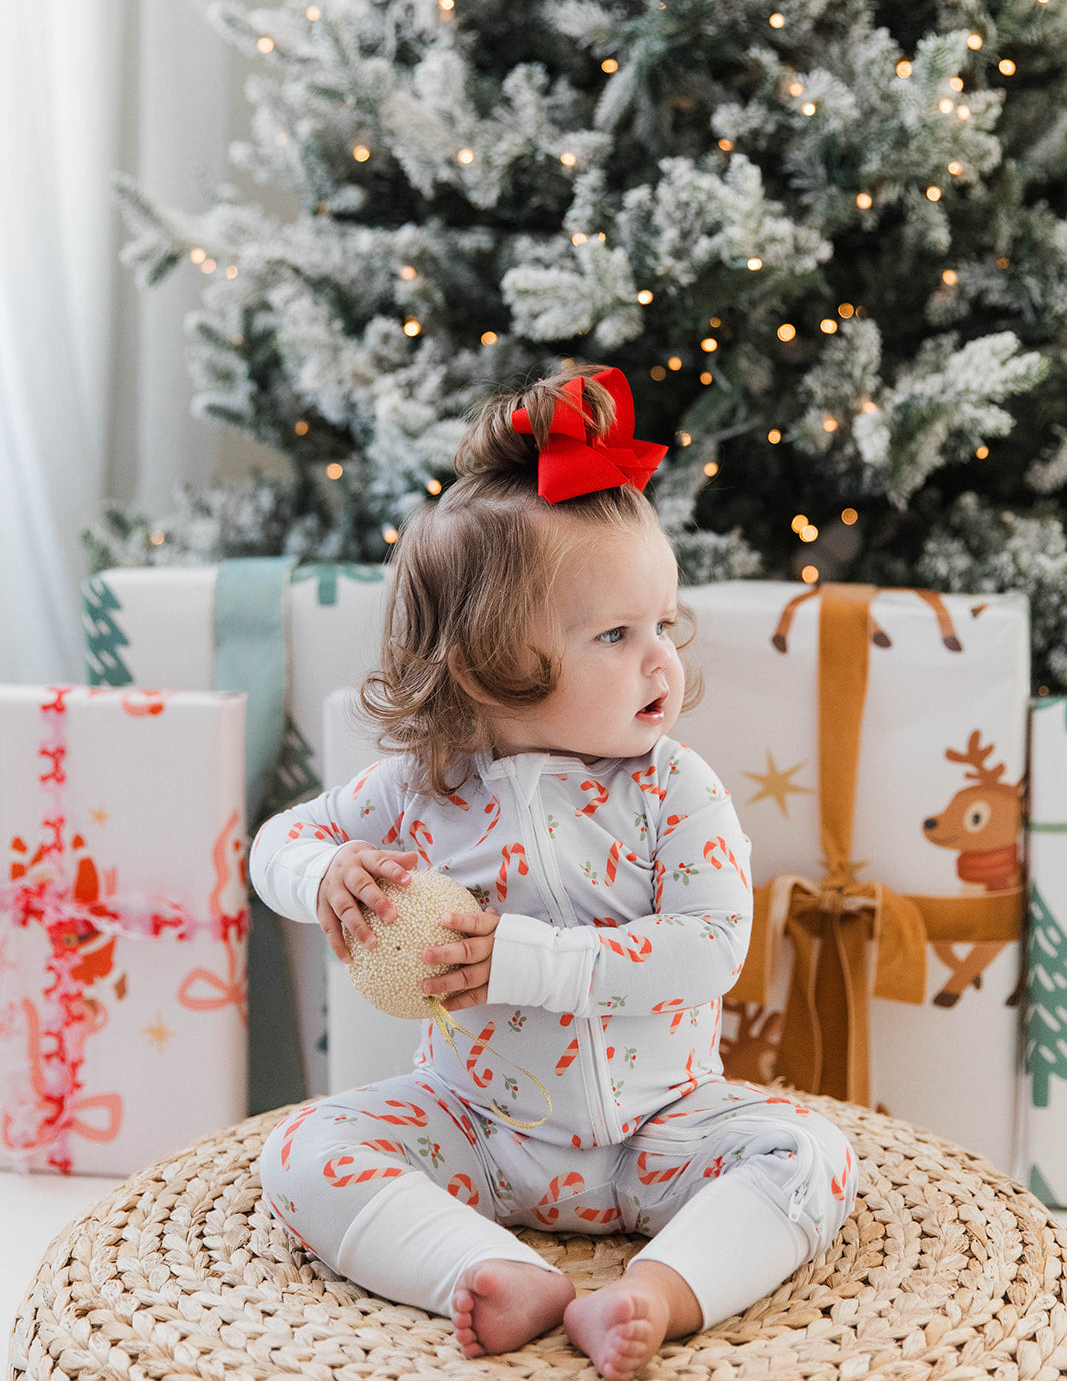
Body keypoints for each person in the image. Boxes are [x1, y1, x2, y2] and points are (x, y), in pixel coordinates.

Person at [252, 365, 858, 1381]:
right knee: (300, 1151)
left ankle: (655, 1291)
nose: (660, 660)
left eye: (663, 625)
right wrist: (321, 877)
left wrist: (524, 962)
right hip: (475, 1127)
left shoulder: (671, 788)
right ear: (490, 662)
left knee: (810, 1152)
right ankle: (485, 1266)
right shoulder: (423, 784)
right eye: (616, 636)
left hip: (658, 1128)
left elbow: (710, 948)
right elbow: (276, 840)